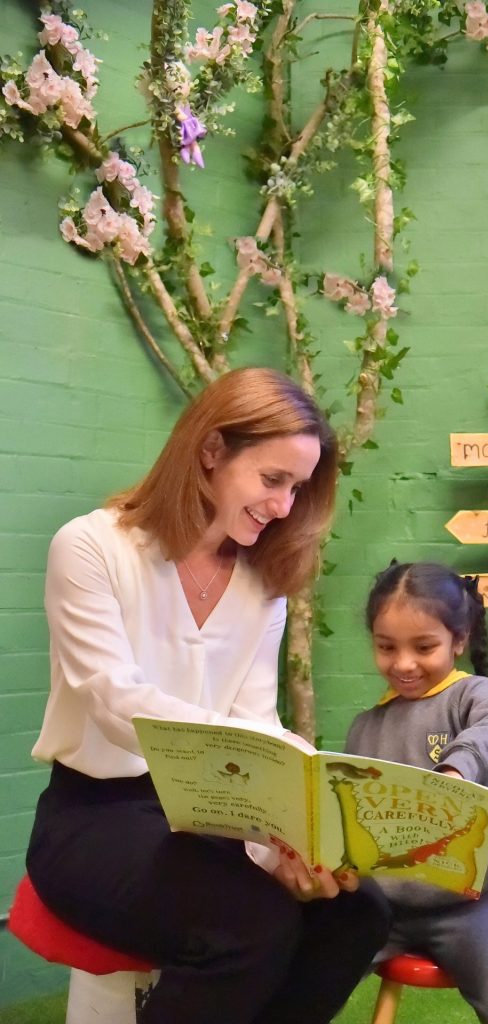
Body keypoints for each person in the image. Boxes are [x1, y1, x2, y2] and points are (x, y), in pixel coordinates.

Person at [26, 367, 390, 1024]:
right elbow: (116, 701)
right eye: (272, 479)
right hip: (94, 817)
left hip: (210, 816)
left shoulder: (263, 585)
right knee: (247, 925)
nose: (284, 506)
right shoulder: (89, 547)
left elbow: (255, 723)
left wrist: (287, 843)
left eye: (297, 488)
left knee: (357, 913)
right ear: (212, 450)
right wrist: (255, 755)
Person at [345, 561, 488, 1024]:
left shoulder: (475, 697)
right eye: (386, 647)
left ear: (458, 640)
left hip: (471, 907)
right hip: (379, 909)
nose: (403, 663)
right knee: (299, 978)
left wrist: (457, 770)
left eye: (424, 647)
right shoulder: (366, 726)